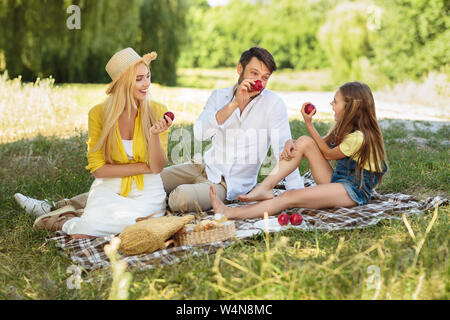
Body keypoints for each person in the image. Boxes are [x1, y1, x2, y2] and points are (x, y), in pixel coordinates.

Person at [15, 46, 304, 215]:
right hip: (201, 166)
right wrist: (233, 105)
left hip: (229, 186)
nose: (259, 82)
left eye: (265, 77)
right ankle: (56, 206)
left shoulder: (273, 105)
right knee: (141, 177)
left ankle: (129, 211)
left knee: (177, 198)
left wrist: (296, 196)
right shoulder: (219, 96)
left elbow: (285, 149)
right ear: (239, 69)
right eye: (254, 74)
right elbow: (201, 133)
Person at [31, 47, 172, 238]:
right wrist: (142, 167)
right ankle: (66, 221)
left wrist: (154, 134)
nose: (146, 83)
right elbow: (99, 169)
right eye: (138, 79)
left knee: (139, 230)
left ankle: (73, 217)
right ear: (122, 83)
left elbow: (156, 168)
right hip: (109, 187)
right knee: (83, 233)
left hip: (147, 192)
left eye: (147, 76)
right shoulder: (98, 114)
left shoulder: (157, 111)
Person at [209, 81, 388, 219]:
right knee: (303, 141)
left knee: (289, 197)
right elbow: (316, 145)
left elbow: (327, 153)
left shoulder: (359, 137)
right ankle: (266, 187)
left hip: (352, 191)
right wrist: (292, 143)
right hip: (338, 181)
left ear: (350, 107)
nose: (331, 104)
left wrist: (309, 124)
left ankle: (230, 213)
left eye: (335, 101)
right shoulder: (345, 127)